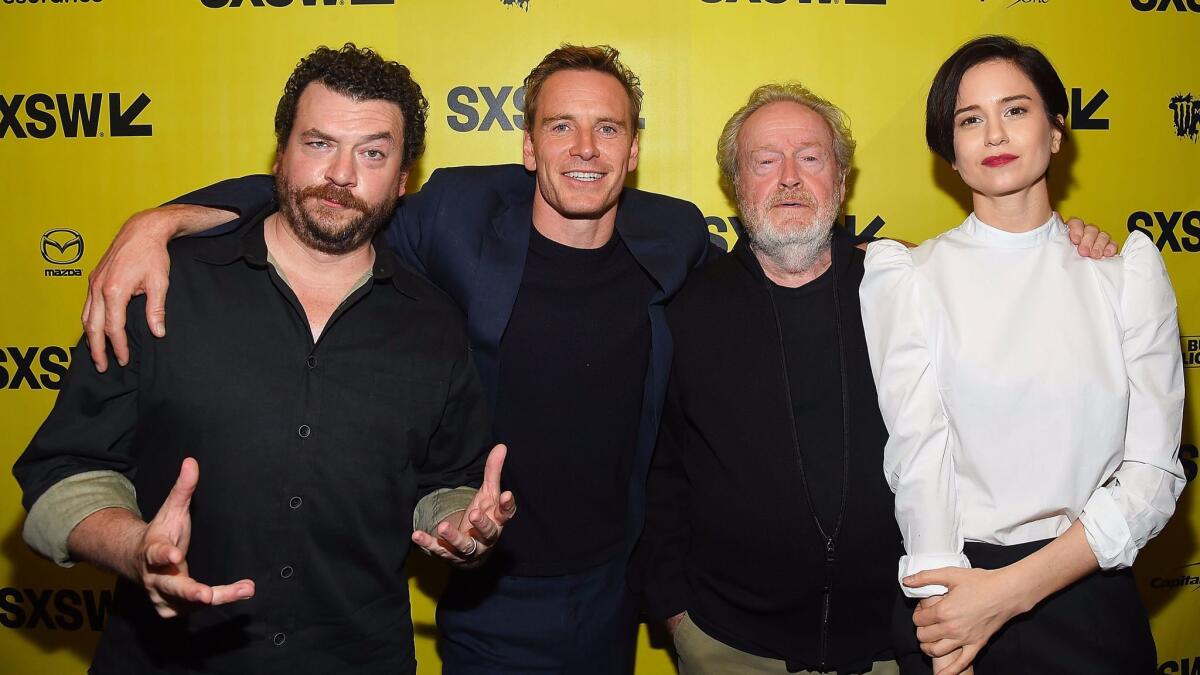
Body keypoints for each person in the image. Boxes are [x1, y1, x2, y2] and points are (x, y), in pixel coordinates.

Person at [73, 44, 712, 674]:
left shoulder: (675, 234)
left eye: (608, 128)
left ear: (632, 152)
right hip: (489, 580)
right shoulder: (456, 215)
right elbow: (330, 197)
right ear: (527, 146)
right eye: (560, 125)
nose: (584, 148)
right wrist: (160, 221)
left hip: (609, 582)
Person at [14, 44, 516, 675]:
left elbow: (444, 483)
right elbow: (64, 472)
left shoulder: (434, 323)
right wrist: (135, 546)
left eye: (372, 152)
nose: (341, 174)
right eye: (318, 143)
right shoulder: (161, 287)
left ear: (403, 178)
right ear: (280, 153)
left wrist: (458, 524)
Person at [859, 35, 1185, 675]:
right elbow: (919, 458)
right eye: (969, 119)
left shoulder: (1125, 275)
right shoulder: (911, 278)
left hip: (1089, 598)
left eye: (1015, 109)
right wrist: (949, 620)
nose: (993, 134)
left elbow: (1152, 476)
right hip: (954, 596)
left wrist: (1007, 594)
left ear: (1056, 131)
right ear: (950, 152)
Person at [639, 83, 902, 675]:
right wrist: (676, 615)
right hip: (730, 647)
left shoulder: (906, 293)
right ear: (737, 185)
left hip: (894, 644)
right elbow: (660, 471)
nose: (789, 178)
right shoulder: (685, 313)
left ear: (840, 179)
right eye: (765, 161)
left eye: (810, 158)